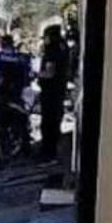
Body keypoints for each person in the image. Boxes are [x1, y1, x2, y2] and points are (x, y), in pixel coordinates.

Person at [39, 25, 70, 161]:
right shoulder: (63, 49)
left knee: (48, 122)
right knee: (55, 120)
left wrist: (36, 74)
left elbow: (49, 73)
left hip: (50, 92)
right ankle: (52, 151)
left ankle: (47, 152)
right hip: (59, 91)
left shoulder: (52, 51)